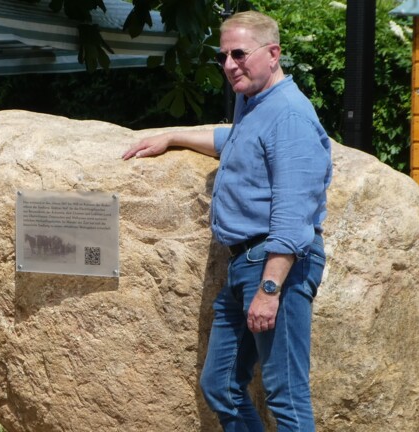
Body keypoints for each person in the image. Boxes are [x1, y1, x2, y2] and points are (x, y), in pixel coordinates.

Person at [123, 11, 331, 432]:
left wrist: (270, 290)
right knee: (220, 384)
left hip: (277, 268)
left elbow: (293, 218)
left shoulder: (289, 115)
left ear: (273, 54)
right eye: (223, 57)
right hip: (244, 265)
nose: (230, 65)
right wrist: (173, 136)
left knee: (286, 397)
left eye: (240, 54)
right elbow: (236, 141)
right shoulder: (253, 101)